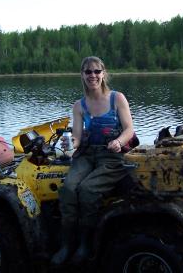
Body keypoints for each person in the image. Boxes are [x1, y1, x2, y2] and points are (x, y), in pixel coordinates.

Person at [51, 56, 135, 266]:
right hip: (88, 154)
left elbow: (129, 130)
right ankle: (66, 244)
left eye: (97, 71)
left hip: (112, 155)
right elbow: (78, 137)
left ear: (103, 73)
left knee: (88, 190)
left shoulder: (117, 98)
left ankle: (85, 244)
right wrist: (70, 144)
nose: (93, 75)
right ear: (82, 75)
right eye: (88, 72)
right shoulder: (79, 106)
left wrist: (118, 141)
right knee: (69, 188)